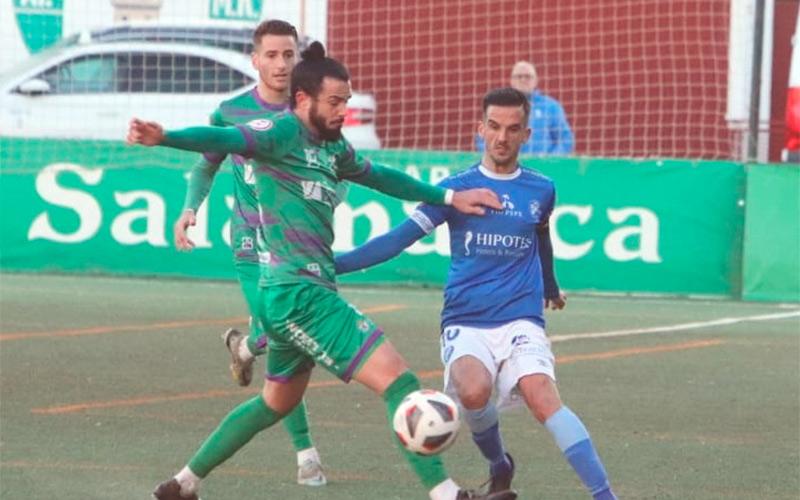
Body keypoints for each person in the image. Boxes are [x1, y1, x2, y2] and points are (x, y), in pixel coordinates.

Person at [128, 42, 515, 500]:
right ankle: (448, 494)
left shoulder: (334, 147)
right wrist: (165, 136)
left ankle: (182, 484)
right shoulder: (278, 132)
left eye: (346, 103)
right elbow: (223, 139)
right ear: (302, 100)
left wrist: (449, 198)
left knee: (275, 403)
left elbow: (382, 176)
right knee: (400, 382)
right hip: (299, 294)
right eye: (334, 102)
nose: (342, 112)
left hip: (290, 297)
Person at [337, 87, 617, 499]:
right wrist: (334, 265)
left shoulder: (541, 189)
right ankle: (499, 465)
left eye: (513, 129)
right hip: (466, 318)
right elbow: (398, 238)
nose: (502, 137)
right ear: (480, 129)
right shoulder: (456, 189)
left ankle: (605, 496)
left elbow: (541, 236)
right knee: (472, 391)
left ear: (526, 135)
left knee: (543, 396)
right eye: (494, 127)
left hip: (521, 316)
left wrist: (550, 285)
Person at [171, 19, 327, 487]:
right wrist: (189, 209)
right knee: (287, 339)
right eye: (273, 55)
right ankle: (306, 453)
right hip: (250, 243)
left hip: (296, 247)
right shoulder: (231, 110)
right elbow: (206, 164)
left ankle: (244, 346)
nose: (282, 64)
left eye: (289, 55)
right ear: (255, 59)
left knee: (282, 338)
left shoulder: (310, 110)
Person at [476, 61, 574, 155]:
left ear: (535, 80)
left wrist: (550, 161)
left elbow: (566, 139)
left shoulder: (551, 107)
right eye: (519, 76)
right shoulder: (498, 104)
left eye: (528, 76)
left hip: (542, 168)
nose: (523, 80)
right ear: (511, 81)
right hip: (507, 167)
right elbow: (482, 138)